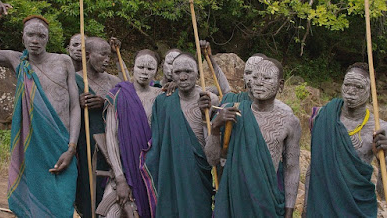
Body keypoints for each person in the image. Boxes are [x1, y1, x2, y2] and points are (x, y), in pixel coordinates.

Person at [0, 2, 80, 217]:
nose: (35, 41)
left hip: (62, 145)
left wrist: (72, 148)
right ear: (22, 37)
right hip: (32, 149)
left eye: (41, 36)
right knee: (32, 207)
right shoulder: (16, 61)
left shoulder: (63, 61)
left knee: (62, 204)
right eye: (31, 35)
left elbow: (75, 106)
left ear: (48, 38)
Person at [201, 57, 301, 217]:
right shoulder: (231, 112)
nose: (259, 82)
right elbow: (212, 160)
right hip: (233, 199)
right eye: (254, 77)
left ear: (280, 85)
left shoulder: (289, 122)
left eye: (267, 78)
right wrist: (215, 127)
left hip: (267, 201)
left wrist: (289, 211)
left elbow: (292, 168)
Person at [303, 62, 387, 217]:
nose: (351, 91)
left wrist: (385, 157)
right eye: (347, 84)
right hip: (321, 208)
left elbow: (383, 192)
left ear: (370, 90)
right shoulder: (321, 117)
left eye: (358, 87)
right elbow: (313, 169)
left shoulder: (379, 129)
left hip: (357, 208)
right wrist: (306, 209)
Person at [141, 53, 219, 218]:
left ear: (198, 72)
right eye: (177, 72)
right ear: (171, 74)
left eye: (188, 71)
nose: (183, 77)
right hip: (170, 175)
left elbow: (212, 151)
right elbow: (159, 143)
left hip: (198, 175)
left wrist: (206, 114)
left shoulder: (210, 100)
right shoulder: (163, 102)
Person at [95, 49, 163, 218]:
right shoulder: (119, 95)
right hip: (123, 169)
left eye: (150, 68)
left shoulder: (161, 97)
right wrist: (120, 178)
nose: (145, 72)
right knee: (109, 214)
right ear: (133, 67)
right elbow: (111, 137)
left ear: (157, 71)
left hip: (153, 172)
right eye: (141, 67)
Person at [74, 37, 121, 218]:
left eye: (109, 55)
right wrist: (76, 102)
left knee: (109, 187)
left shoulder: (113, 81)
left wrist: (106, 103)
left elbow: (128, 107)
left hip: (110, 145)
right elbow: (64, 108)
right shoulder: (75, 79)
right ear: (88, 55)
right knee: (86, 186)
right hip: (84, 143)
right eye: (103, 54)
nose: (107, 59)